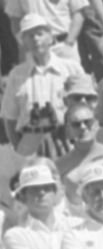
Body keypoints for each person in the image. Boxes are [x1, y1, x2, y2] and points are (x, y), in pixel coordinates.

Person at [1, 15, 85, 157]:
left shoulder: (72, 69)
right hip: (31, 140)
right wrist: (20, 150)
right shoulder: (16, 75)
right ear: (23, 42)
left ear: (51, 37)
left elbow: (88, 108)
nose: (35, 39)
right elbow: (9, 118)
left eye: (40, 34)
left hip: (67, 138)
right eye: (29, 36)